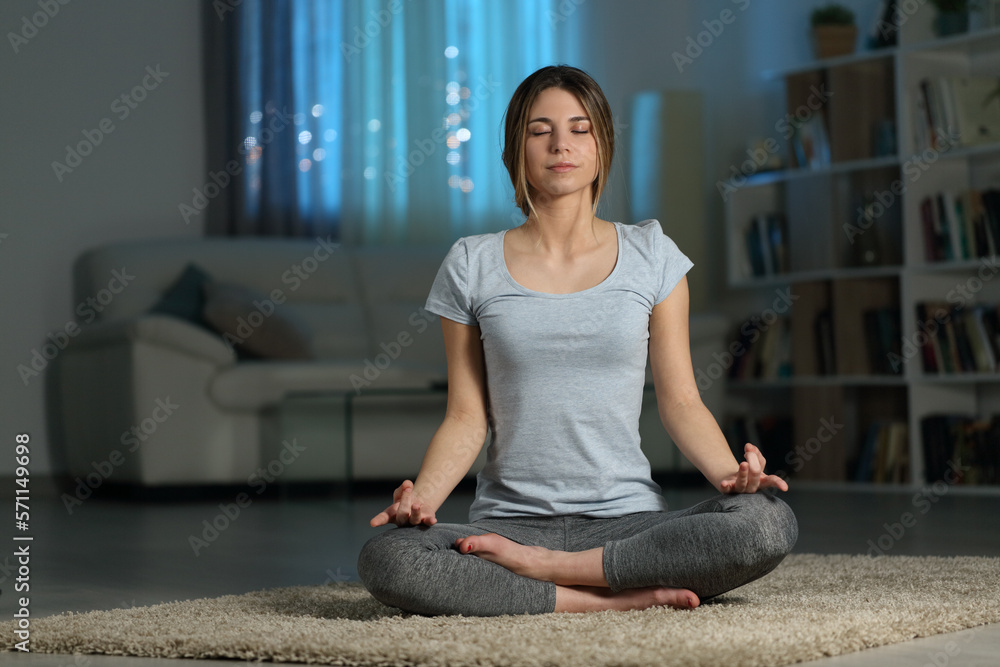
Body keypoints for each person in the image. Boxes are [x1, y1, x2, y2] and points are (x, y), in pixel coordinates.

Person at [357, 64, 797, 617]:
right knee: (388, 557)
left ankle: (550, 576)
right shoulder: (471, 262)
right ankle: (600, 601)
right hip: (505, 527)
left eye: (579, 128)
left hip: (627, 523)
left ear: (601, 144)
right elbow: (466, 417)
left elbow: (681, 401)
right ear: (517, 146)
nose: (560, 144)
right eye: (540, 130)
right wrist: (419, 503)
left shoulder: (652, 255)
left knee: (766, 521)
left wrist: (733, 477)